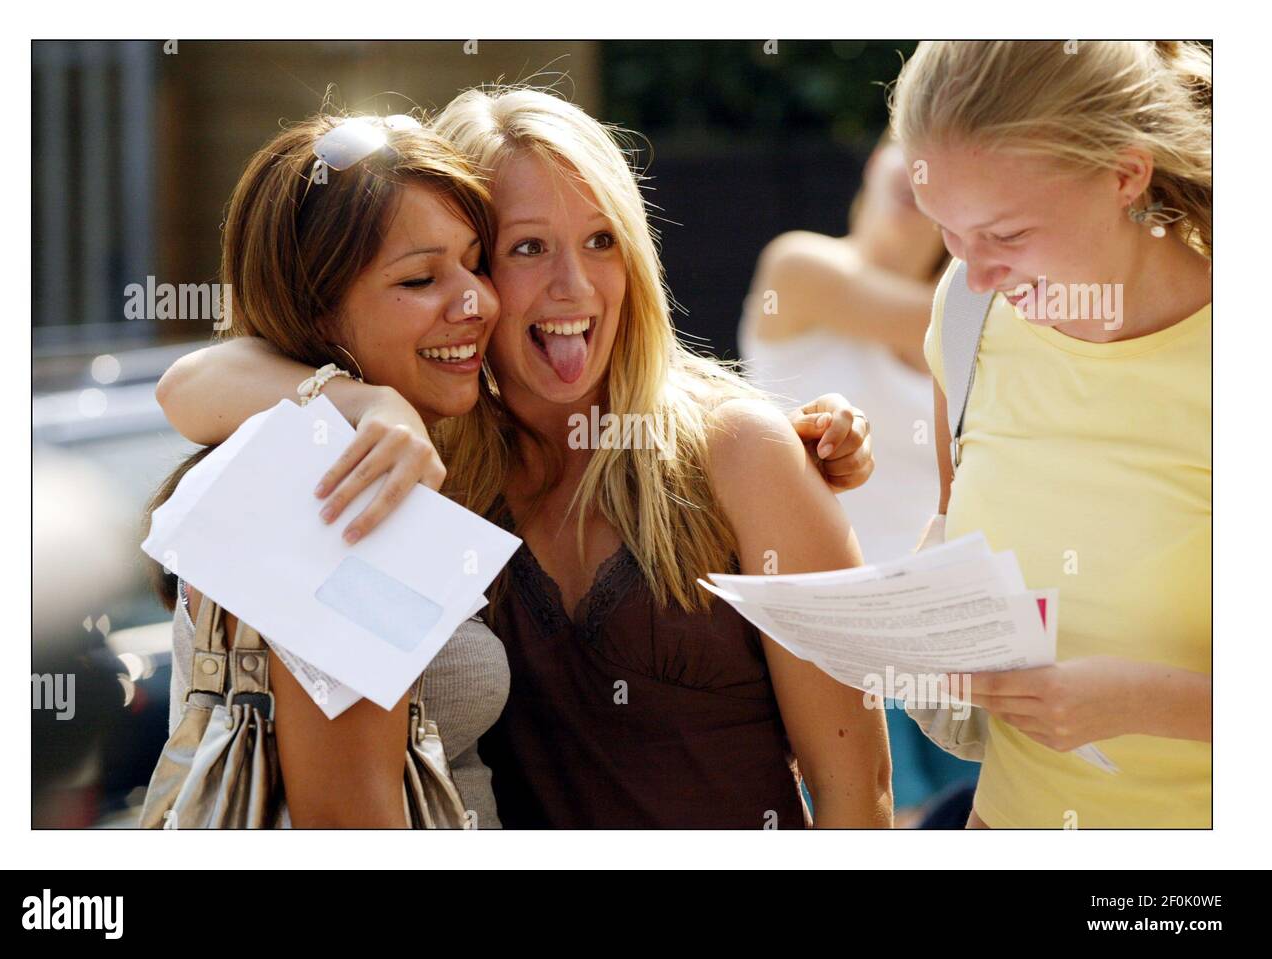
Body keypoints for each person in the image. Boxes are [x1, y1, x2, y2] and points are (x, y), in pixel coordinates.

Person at [157, 87, 892, 828]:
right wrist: (359, 403)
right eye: (527, 248)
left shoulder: (744, 451)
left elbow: (859, 793)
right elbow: (188, 383)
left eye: (602, 240)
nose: (573, 285)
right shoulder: (410, 469)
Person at [145, 114, 510, 827]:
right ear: (315, 312)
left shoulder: (327, 453)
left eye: (477, 262)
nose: (479, 302)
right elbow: (351, 825)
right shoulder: (336, 490)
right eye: (422, 277)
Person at [890, 40, 1212, 827]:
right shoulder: (967, 317)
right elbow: (964, 560)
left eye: (1005, 234)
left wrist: (1149, 701)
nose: (974, 272)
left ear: (1125, 175)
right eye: (950, 234)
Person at [741, 133, 978, 825]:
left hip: (939, 638)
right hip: (823, 644)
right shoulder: (802, 265)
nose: (918, 165)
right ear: (873, 161)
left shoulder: (975, 300)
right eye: (903, 142)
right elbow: (947, 324)